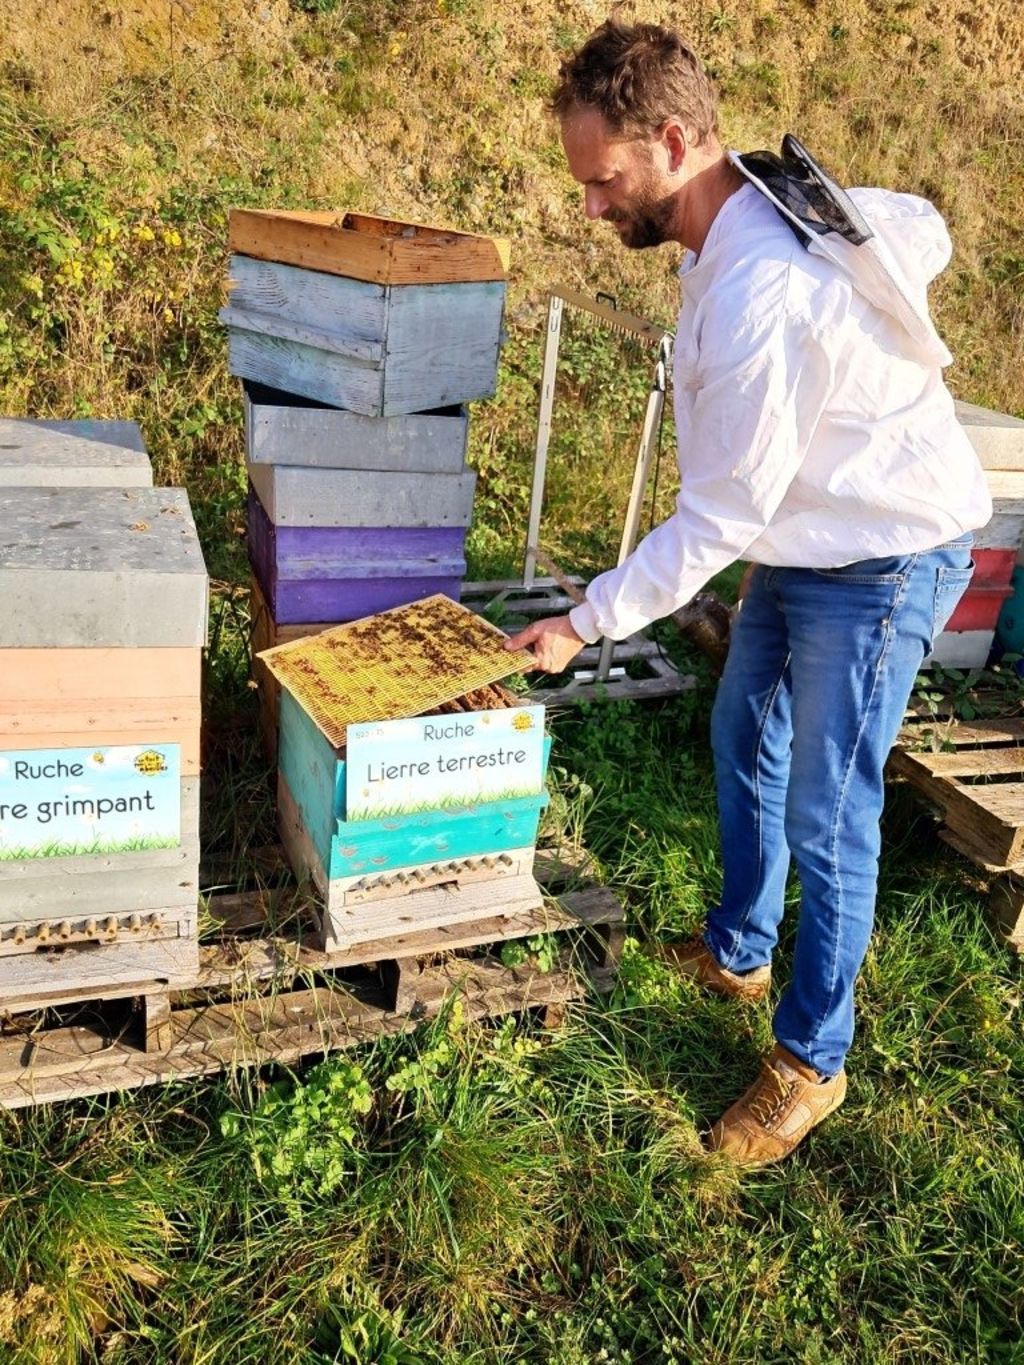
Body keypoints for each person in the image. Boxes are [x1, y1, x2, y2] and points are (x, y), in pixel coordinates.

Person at [505, 17, 991, 1167]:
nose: (588, 206)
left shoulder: (759, 288)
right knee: (743, 731)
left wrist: (583, 623)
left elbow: (718, 515)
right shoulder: (755, 211)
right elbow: (923, 229)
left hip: (879, 560)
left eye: (602, 180)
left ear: (672, 141)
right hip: (810, 539)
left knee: (828, 811)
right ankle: (737, 947)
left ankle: (809, 1062)